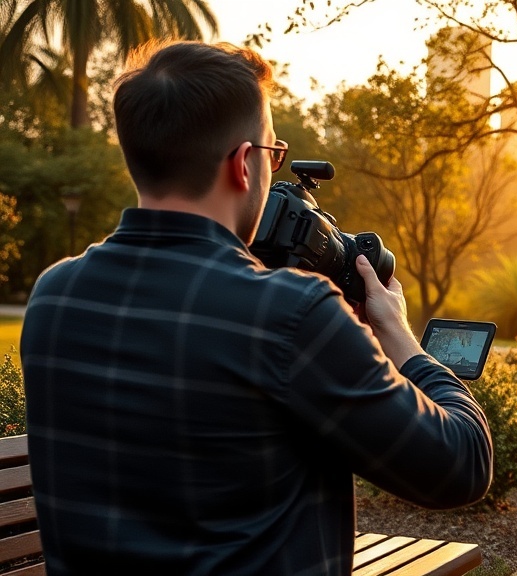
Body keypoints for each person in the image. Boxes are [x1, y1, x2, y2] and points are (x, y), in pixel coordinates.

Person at [19, 41, 492, 575]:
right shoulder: (291, 315)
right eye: (274, 154)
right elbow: (461, 466)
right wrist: (396, 333)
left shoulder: (54, 295)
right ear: (245, 164)